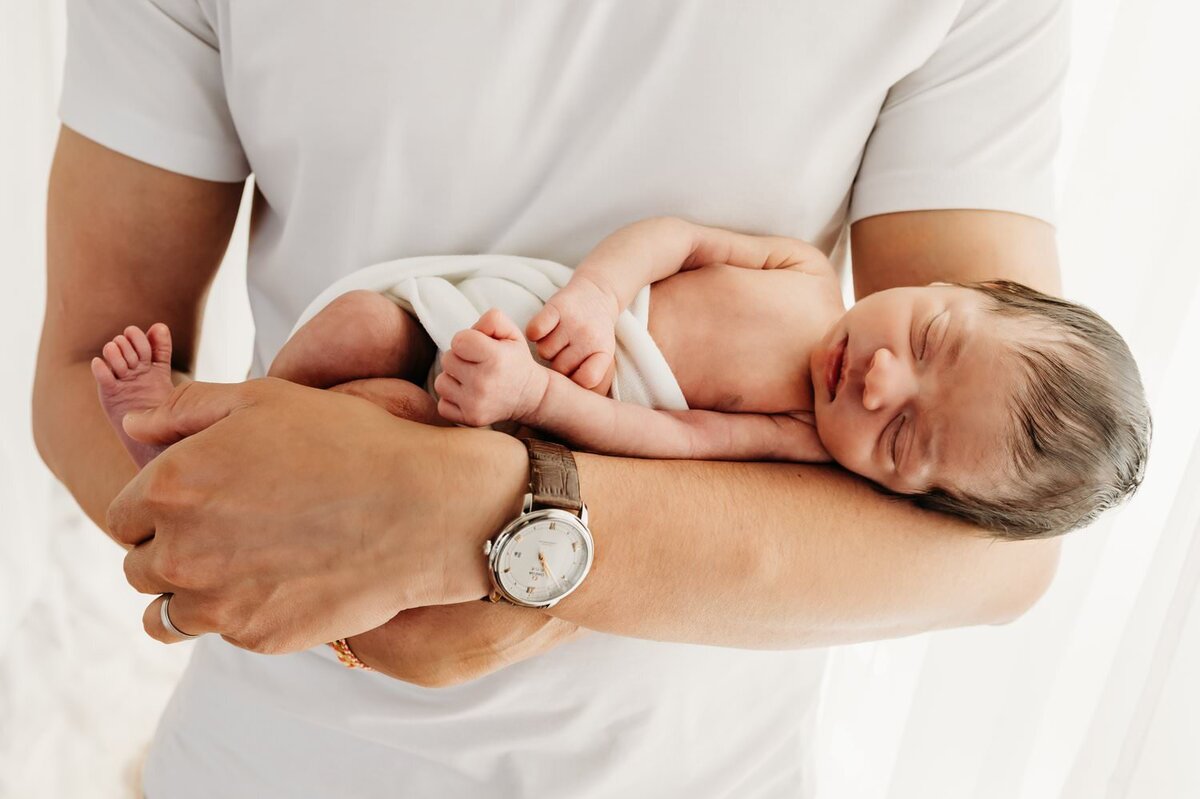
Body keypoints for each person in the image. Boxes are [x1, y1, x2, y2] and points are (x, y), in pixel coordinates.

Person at [33, 0, 1073, 796]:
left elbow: (999, 542)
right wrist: (330, 585)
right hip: (274, 758)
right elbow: (87, 365)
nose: (885, 380)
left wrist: (478, 523)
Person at [93, 216, 1149, 545]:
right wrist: (597, 298)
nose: (878, 379)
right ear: (969, 286)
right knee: (356, 327)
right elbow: (671, 239)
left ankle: (199, 438)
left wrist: (536, 398)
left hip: (520, 404)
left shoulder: (795, 435)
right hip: (528, 311)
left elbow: (673, 442)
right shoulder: (803, 272)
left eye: (907, 438)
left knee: (386, 417)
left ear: (922, 499)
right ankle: (217, 406)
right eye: (929, 334)